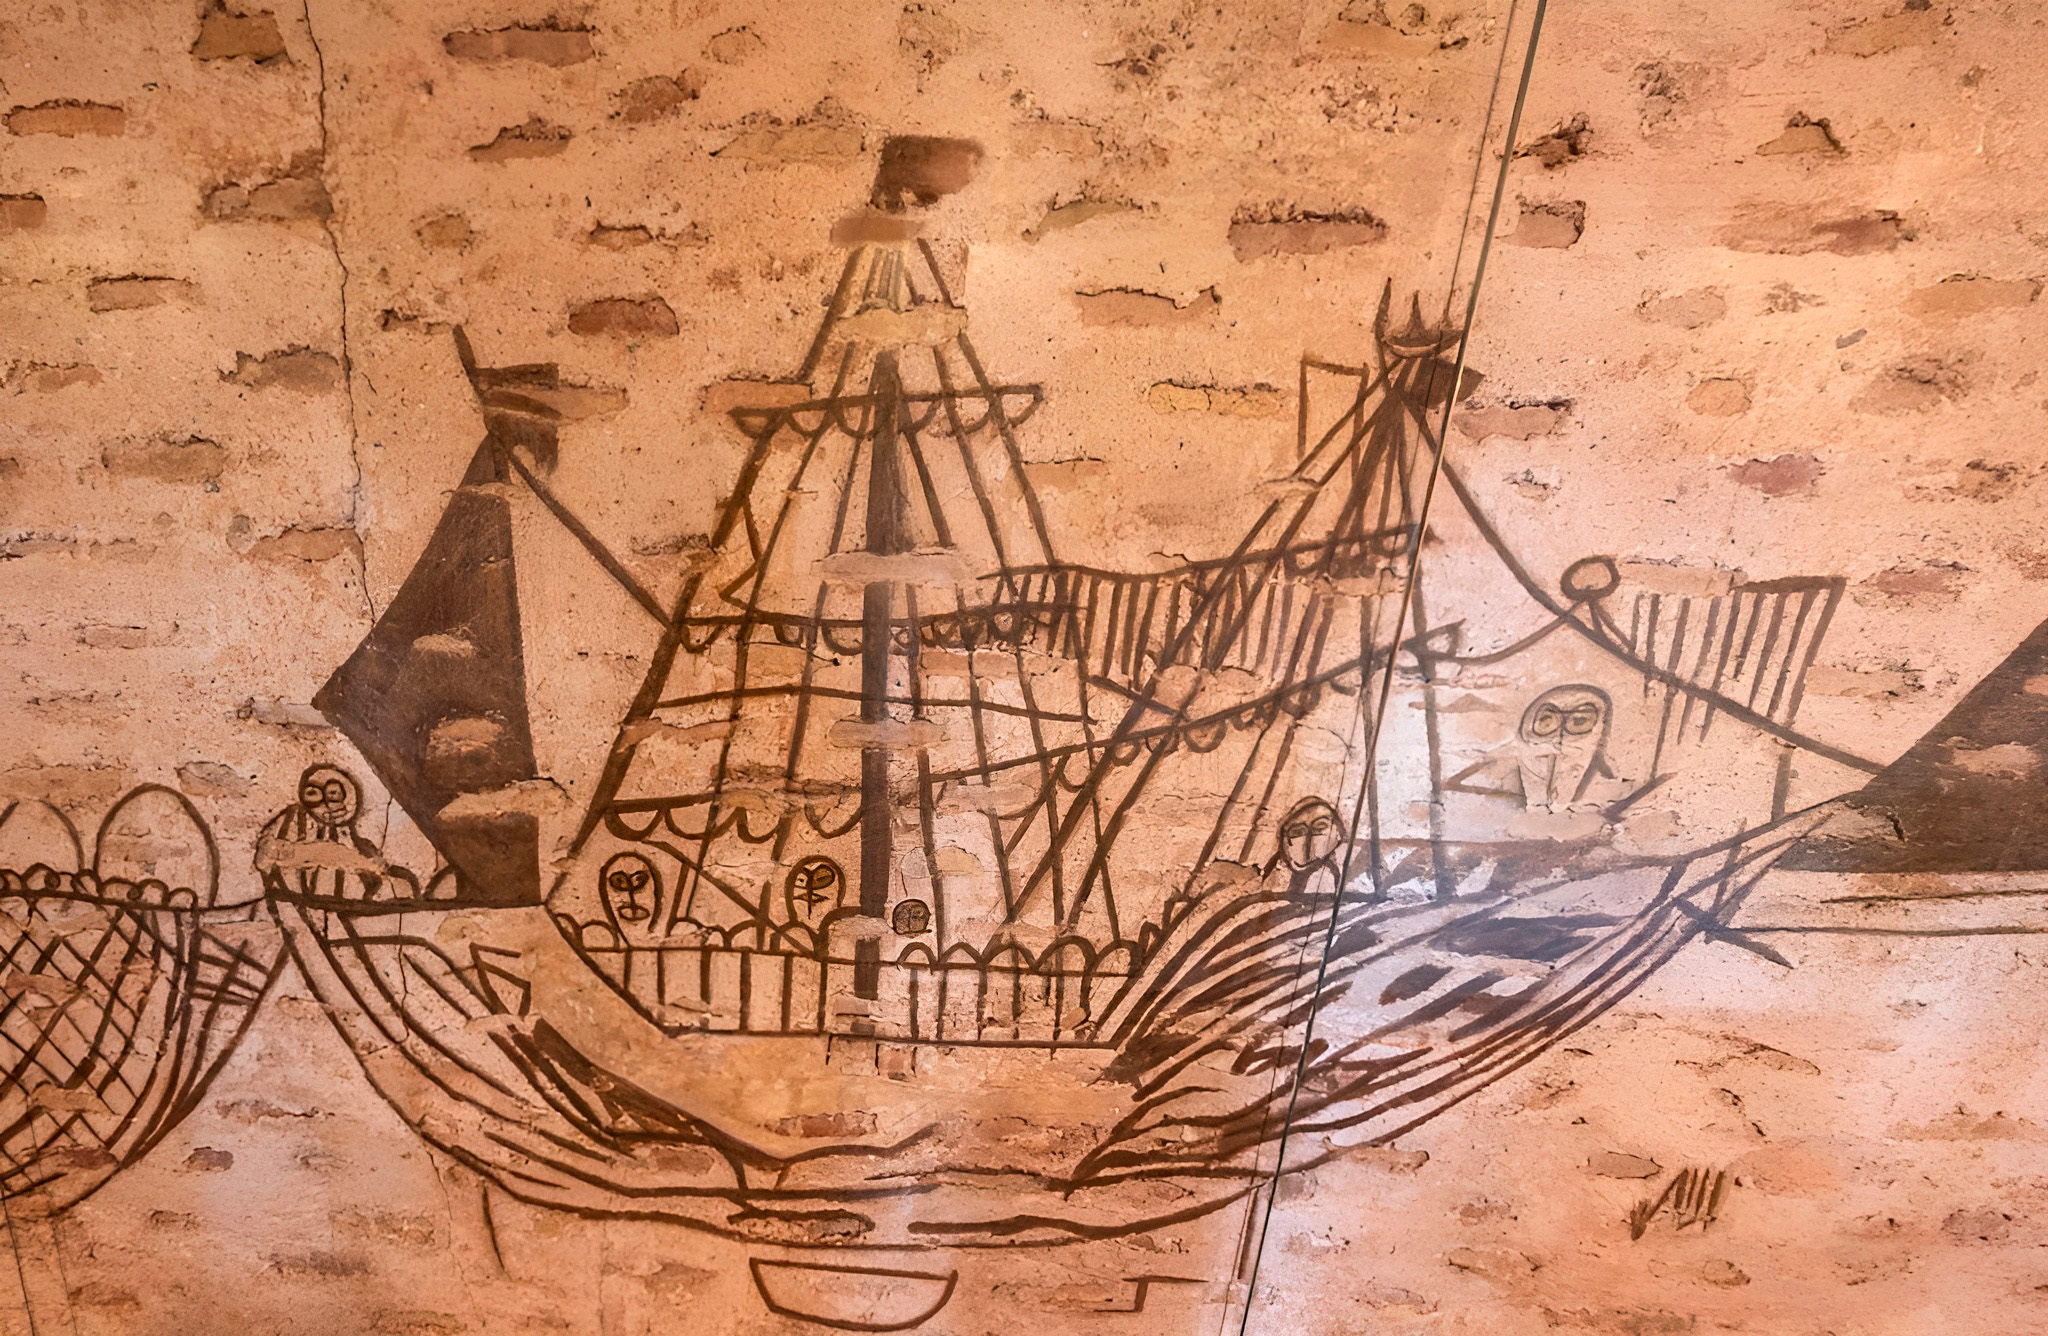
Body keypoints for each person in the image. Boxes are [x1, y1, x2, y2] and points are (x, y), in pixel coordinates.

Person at [255, 765, 386, 899]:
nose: (326, 800)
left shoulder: (347, 831)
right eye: (315, 793)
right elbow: (268, 850)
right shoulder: (293, 816)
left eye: (334, 794)